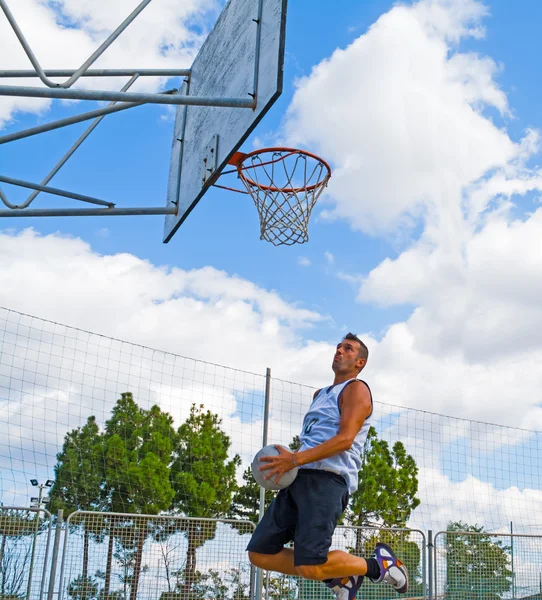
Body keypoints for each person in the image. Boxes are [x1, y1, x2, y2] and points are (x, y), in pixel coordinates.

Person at [246, 333, 408, 599]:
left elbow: (345, 439)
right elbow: (314, 439)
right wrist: (289, 461)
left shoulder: (356, 389)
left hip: (327, 480)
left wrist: (295, 459)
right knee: (260, 554)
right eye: (338, 347)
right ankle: (338, 577)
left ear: (360, 362)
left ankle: (379, 565)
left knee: (309, 565)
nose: (339, 351)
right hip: (300, 476)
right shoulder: (320, 394)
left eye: (348, 348)